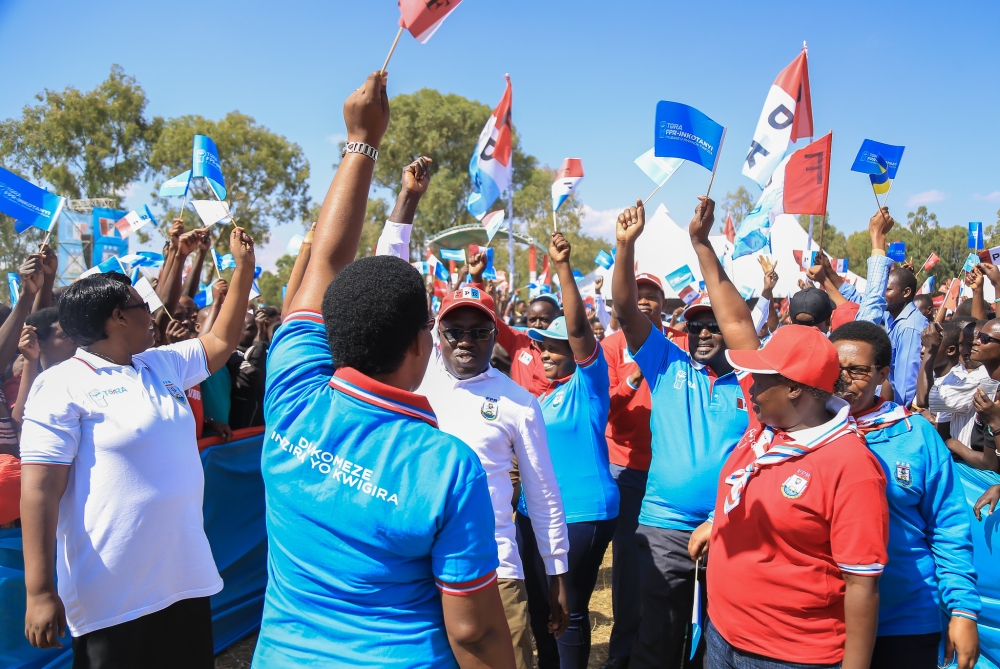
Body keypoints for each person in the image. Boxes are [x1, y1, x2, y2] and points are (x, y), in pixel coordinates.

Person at [252, 71, 514, 669]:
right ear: (423, 345)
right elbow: (474, 634)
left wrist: (360, 139)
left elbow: (325, 260)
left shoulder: (290, 393)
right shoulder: (447, 467)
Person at [19, 226, 257, 666]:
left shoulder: (161, 363)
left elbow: (221, 342)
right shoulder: (61, 385)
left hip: (182, 580)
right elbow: (39, 489)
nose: (153, 314)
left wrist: (243, 269)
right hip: (113, 597)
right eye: (142, 306)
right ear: (118, 317)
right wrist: (39, 591)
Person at [376, 155, 571, 669]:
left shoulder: (519, 402)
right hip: (413, 563)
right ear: (435, 335)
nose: (466, 341)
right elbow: (385, 283)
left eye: (479, 331)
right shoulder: (418, 376)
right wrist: (407, 201)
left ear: (494, 334)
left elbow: (544, 492)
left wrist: (557, 575)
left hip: (493, 569)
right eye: (454, 330)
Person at [679, 196, 889, 669]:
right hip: (724, 635)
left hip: (790, 656)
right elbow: (734, 320)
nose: (748, 386)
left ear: (798, 389)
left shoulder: (850, 467)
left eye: (762, 378)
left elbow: (862, 583)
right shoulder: (768, 423)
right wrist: (703, 245)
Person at [612, 199, 755, 669]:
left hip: (732, 526)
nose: (702, 332)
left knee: (716, 640)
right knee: (657, 640)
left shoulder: (756, 379)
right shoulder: (665, 362)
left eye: (713, 324)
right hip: (664, 526)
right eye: (693, 325)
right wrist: (625, 247)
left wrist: (702, 244)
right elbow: (625, 307)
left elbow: (741, 320)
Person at [828, 320, 980, 669]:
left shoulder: (916, 435)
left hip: (905, 621)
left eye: (858, 371)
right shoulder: (805, 430)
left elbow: (948, 526)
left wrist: (962, 608)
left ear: (883, 374)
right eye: (836, 369)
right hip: (825, 621)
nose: (843, 380)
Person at [516, 231, 618, 669]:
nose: (544, 353)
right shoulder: (543, 397)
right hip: (531, 513)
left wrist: (562, 268)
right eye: (540, 346)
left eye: (553, 347)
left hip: (582, 513)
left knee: (570, 611)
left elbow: (578, 331)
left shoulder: (588, 386)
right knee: (541, 607)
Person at [598, 270, 666, 669]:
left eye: (651, 294)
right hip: (623, 467)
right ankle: (622, 651)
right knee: (626, 561)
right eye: (636, 293)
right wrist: (632, 377)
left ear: (662, 301)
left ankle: (661, 647)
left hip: (667, 472)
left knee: (666, 563)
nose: (643, 300)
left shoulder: (680, 344)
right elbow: (601, 407)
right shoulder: (608, 347)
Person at [846, 208, 928, 407]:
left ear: (906, 293)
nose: (884, 295)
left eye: (888, 289)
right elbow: (867, 301)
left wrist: (898, 413)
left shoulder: (910, 326)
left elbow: (905, 382)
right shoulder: (891, 318)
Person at [226, 309, 269, 429]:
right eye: (252, 328)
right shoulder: (231, 356)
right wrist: (259, 339)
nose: (256, 331)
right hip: (241, 426)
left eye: (258, 327)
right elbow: (251, 374)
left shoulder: (266, 352)